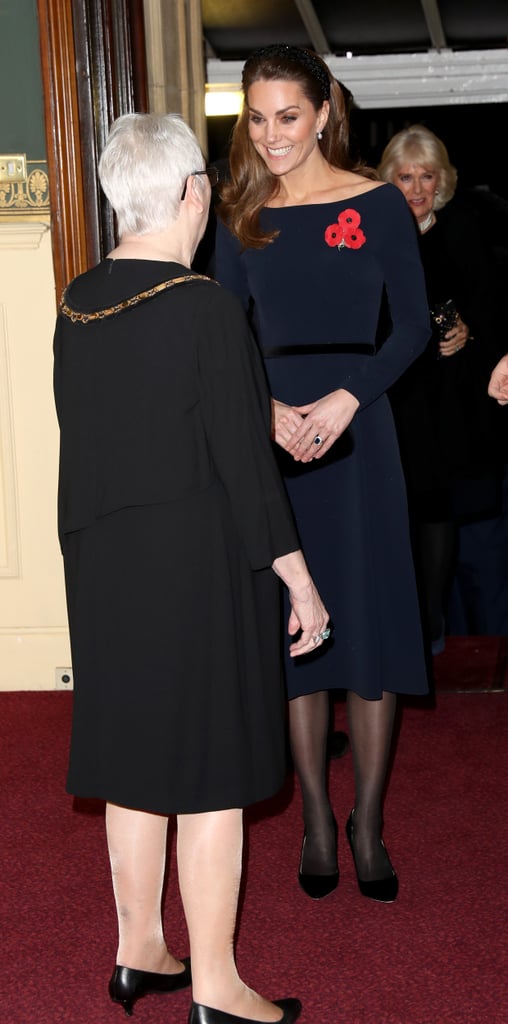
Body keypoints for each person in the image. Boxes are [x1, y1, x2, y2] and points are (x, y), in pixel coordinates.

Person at [53, 112, 331, 1024]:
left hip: (104, 565)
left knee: (136, 765)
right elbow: (246, 474)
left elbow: (105, 442)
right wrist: (297, 578)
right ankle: (215, 984)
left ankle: (139, 949)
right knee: (211, 776)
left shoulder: (76, 303)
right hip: (196, 569)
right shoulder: (204, 303)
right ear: (190, 195)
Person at [213, 44, 430, 906]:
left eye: (288, 116)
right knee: (299, 642)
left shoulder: (377, 204)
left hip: (360, 429)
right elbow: (224, 337)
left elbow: (411, 329)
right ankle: (312, 820)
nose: (271, 136)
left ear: (324, 111)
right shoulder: (239, 214)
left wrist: (345, 399)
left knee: (368, 628)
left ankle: (366, 824)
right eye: (257, 118)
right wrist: (263, 409)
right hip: (274, 438)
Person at [378, 125, 508, 644]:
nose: (415, 188)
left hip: (451, 405)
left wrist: (468, 331)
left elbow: (490, 304)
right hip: (395, 396)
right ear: (389, 178)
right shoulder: (377, 235)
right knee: (398, 517)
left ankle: (435, 633)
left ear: (442, 181)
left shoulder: (463, 230)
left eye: (425, 176)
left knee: (444, 519)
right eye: (405, 176)